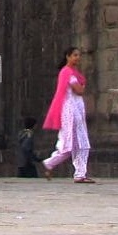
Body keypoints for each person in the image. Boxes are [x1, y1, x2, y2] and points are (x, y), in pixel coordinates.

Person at [39, 46, 93, 183]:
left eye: (79, 55)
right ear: (68, 56)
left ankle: (78, 173)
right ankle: (54, 164)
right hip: (71, 111)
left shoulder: (72, 73)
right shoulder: (67, 72)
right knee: (70, 144)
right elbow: (79, 90)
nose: (78, 58)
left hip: (76, 110)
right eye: (75, 55)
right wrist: (82, 86)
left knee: (79, 143)